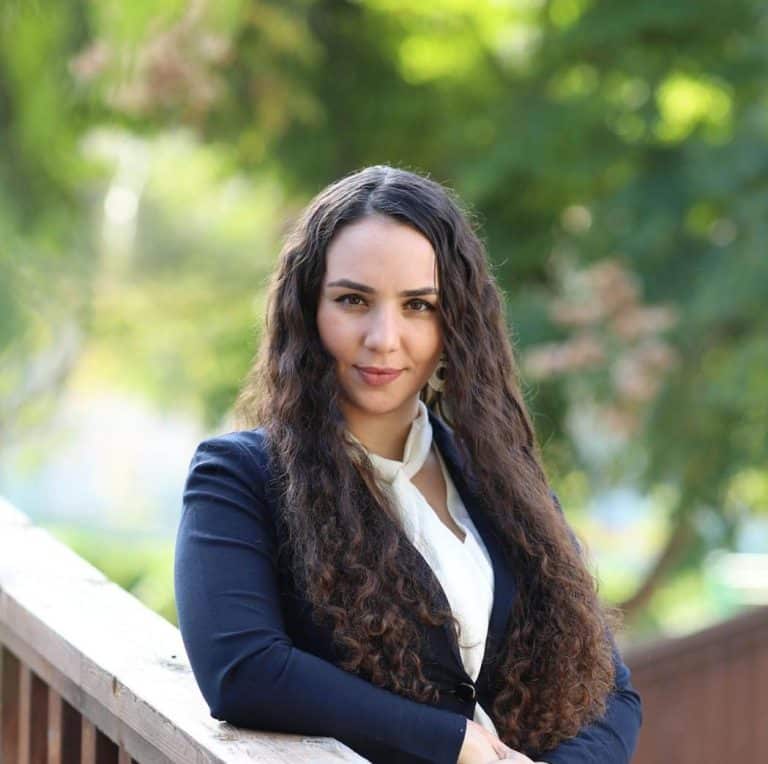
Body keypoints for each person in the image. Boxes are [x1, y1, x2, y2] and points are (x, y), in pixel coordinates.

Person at [174, 165, 642, 764]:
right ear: (308, 310)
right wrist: (453, 744)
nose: (384, 338)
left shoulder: (503, 482)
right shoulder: (239, 478)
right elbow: (244, 670)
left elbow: (611, 692)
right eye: (353, 300)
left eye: (418, 305)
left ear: (454, 324)